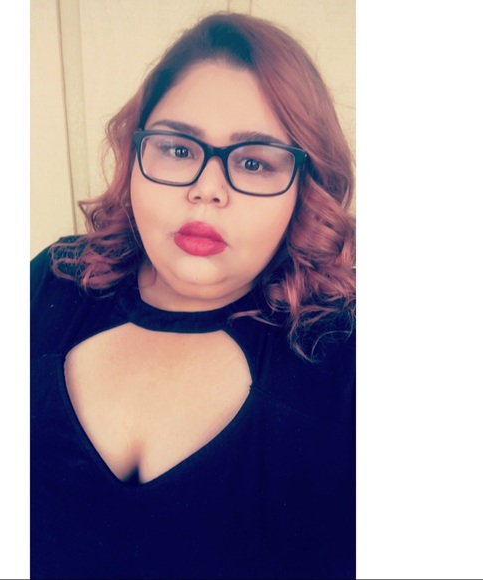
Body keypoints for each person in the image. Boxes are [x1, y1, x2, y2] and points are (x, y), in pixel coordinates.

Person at [31, 11, 355, 579]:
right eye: (179, 149)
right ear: (136, 155)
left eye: (253, 162)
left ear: (304, 189)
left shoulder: (347, 356)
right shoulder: (52, 282)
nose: (207, 190)